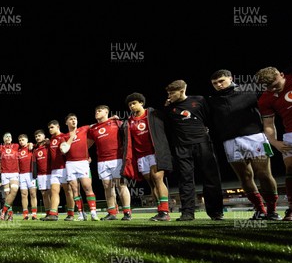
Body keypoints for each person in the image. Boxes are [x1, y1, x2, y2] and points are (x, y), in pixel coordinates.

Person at [208, 69, 281, 220]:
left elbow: (273, 82)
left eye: (221, 81)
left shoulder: (249, 89)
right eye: (215, 83)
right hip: (230, 142)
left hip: (255, 137)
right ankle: (260, 210)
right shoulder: (212, 100)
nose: (218, 85)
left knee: (264, 174)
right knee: (245, 177)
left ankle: (272, 211)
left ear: (231, 78)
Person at [255, 54, 292, 221]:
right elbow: (268, 124)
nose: (273, 90)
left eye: (274, 85)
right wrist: (274, 142)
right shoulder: (265, 98)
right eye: (268, 88)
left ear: (281, 74)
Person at [163, 80, 224, 221]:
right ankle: (187, 213)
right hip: (181, 146)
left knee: (211, 177)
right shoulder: (168, 107)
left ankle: (215, 212)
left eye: (172, 93)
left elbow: (209, 118)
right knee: (185, 179)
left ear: (182, 90)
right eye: (168, 93)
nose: (169, 96)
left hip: (203, 143)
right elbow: (167, 128)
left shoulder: (199, 100)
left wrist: (206, 131)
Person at [122, 93, 173, 221]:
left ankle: (165, 211)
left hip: (156, 153)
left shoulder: (154, 114)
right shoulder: (129, 122)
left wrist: (170, 106)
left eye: (134, 103)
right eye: (129, 105)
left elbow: (169, 119)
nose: (132, 106)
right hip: (141, 156)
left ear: (141, 103)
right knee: (151, 183)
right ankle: (160, 210)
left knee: (157, 178)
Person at [87, 105, 132, 221]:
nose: (97, 112)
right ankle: (112, 212)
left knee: (121, 185)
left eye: (99, 110)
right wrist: (85, 155)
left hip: (117, 159)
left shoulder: (117, 123)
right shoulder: (93, 129)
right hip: (102, 161)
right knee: (107, 187)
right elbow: (87, 145)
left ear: (107, 112)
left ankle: (127, 212)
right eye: (96, 111)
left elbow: (128, 133)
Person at [62, 113, 100, 221]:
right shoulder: (64, 136)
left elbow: (97, 124)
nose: (74, 121)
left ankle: (93, 213)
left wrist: (110, 118)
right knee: (75, 189)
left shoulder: (83, 129)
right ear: (66, 122)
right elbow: (64, 150)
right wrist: (71, 136)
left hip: (83, 163)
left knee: (87, 187)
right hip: (70, 164)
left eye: (75, 119)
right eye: (71, 119)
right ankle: (81, 214)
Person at [42, 120, 75, 221]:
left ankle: (71, 214)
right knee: (54, 191)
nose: (50, 129)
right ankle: (53, 214)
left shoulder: (64, 136)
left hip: (64, 168)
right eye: (49, 128)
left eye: (52, 127)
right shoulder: (51, 139)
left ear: (58, 127)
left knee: (68, 191)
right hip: (54, 170)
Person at [0, 132, 20, 220]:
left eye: (9, 136)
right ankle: (10, 214)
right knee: (7, 194)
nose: (8, 138)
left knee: (14, 191)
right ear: (3, 139)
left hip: (14, 172)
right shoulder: (0, 147)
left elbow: (26, 144)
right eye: (6, 137)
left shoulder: (16, 146)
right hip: (4, 174)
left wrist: (30, 144)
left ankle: (3, 211)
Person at [17, 134, 38, 220]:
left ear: (27, 140)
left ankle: (34, 214)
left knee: (33, 194)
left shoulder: (31, 148)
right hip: (21, 175)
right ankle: (25, 214)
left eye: (23, 139)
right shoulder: (18, 151)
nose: (21, 141)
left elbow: (38, 144)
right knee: (23, 194)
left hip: (31, 174)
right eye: (20, 140)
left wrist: (32, 144)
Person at [33, 129, 51, 219]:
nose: (37, 138)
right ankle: (48, 213)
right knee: (44, 194)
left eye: (39, 135)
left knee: (52, 193)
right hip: (40, 175)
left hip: (50, 173)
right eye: (36, 136)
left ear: (44, 136)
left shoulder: (48, 145)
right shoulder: (35, 149)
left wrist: (49, 142)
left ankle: (53, 212)